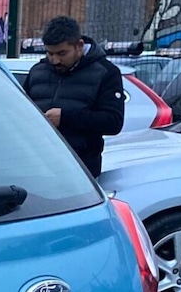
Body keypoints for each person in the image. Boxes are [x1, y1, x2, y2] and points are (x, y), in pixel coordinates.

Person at [22, 15, 126, 177]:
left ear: (79, 46)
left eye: (62, 53)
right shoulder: (37, 72)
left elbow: (113, 122)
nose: (55, 60)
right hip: (37, 167)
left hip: (81, 171)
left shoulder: (106, 73)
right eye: (50, 53)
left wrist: (65, 118)